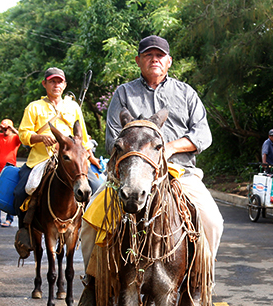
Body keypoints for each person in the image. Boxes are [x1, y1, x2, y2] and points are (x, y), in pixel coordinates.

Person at [93, 34, 223, 262]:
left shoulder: (186, 93)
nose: (155, 59)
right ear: (138, 60)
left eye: (160, 55)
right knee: (91, 222)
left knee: (213, 222)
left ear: (169, 61)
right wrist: (142, 156)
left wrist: (170, 148)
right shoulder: (123, 93)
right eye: (148, 55)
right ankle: (93, 286)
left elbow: (203, 135)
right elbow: (112, 138)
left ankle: (201, 282)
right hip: (129, 174)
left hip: (180, 173)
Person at [14, 67, 91, 258]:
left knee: (95, 189)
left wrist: (87, 154)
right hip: (41, 159)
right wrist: (40, 138)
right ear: (45, 84)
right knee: (20, 191)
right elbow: (23, 135)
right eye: (52, 81)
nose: (56, 85)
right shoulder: (34, 107)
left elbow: (84, 137)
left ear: (64, 85)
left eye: (59, 82)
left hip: (70, 160)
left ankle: (86, 231)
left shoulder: (73, 107)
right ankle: (26, 232)